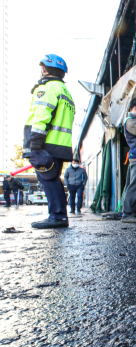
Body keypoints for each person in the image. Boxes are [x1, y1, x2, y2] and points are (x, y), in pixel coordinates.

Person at [22, 54, 75, 229]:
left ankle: (57, 216)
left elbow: (42, 114)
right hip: (60, 145)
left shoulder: (47, 88)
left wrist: (35, 143)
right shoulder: (65, 92)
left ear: (44, 69)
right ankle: (59, 215)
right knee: (53, 179)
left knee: (48, 179)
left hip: (45, 144)